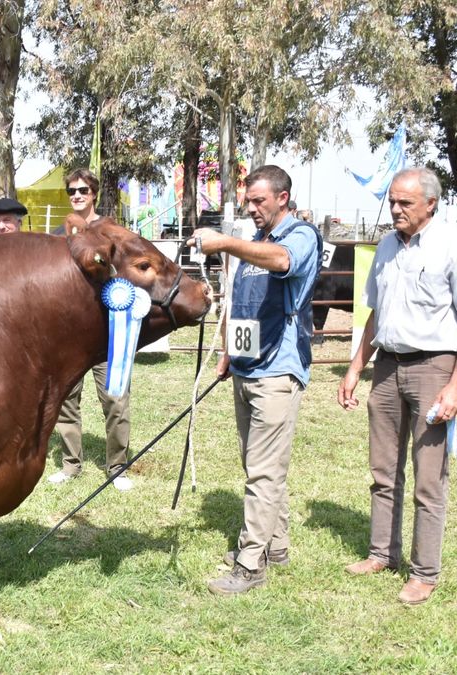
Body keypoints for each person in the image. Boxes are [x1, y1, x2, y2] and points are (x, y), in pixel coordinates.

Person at [337, 167, 457, 606]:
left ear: (431, 204)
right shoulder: (386, 246)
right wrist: (355, 368)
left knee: (429, 478)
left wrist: (456, 386)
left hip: (433, 369)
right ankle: (381, 553)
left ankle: (424, 573)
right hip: (386, 368)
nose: (396, 209)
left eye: (405, 202)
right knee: (383, 471)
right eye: (392, 201)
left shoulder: (455, 246)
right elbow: (375, 314)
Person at [186, 164, 322, 595]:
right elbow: (244, 305)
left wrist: (226, 241)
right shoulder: (256, 242)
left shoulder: (297, 237)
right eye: (248, 200)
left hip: (278, 370)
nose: (252, 208)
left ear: (283, 198)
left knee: (262, 472)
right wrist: (230, 353)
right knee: (260, 465)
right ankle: (275, 546)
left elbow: (282, 263)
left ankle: (250, 565)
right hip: (247, 366)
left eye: (259, 200)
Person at [47, 168, 135, 492]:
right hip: (70, 336)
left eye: (83, 189)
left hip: (106, 331)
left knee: (116, 401)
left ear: (94, 192)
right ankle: (71, 464)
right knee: (67, 402)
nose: (77, 196)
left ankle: (117, 468)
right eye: (72, 191)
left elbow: (125, 272)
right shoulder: (59, 234)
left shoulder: (111, 230)